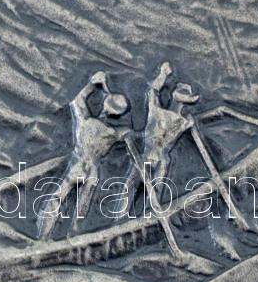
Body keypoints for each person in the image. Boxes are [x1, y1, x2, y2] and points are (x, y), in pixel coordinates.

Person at [38, 71, 128, 239]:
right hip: (93, 172)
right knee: (81, 210)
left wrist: (92, 84)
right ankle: (73, 237)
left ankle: (43, 237)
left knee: (57, 199)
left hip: (78, 166)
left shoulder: (86, 121)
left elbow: (77, 101)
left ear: (104, 105)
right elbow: (130, 134)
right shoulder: (114, 133)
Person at [113, 62, 200, 218]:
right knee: (153, 193)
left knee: (131, 188)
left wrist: (163, 74)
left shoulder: (157, 111)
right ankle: (148, 215)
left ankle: (122, 216)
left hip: (147, 156)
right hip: (161, 159)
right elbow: (153, 93)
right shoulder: (185, 122)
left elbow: (153, 91)